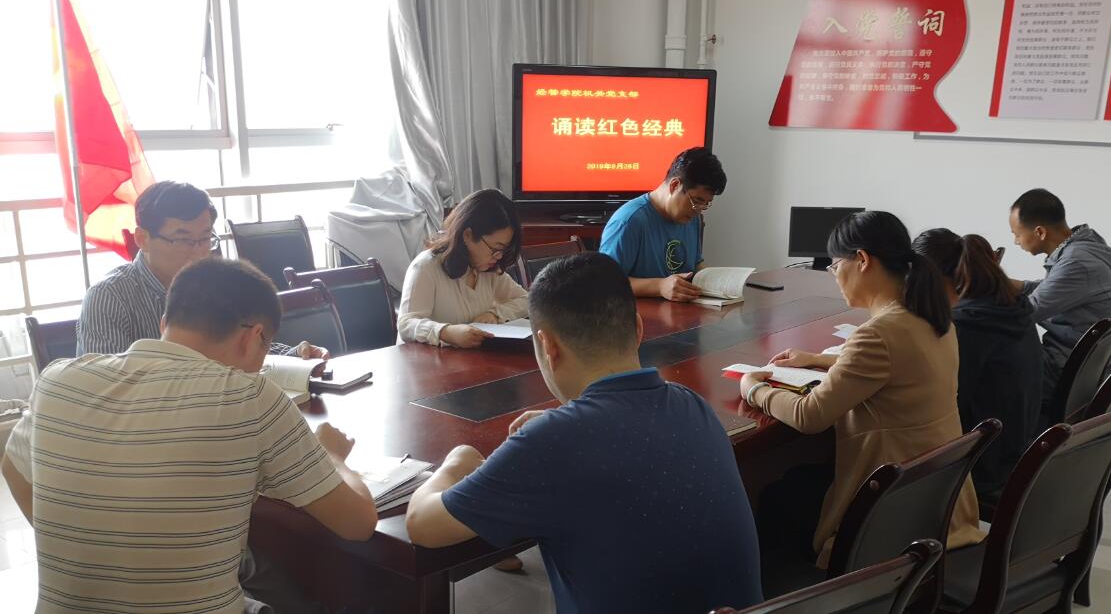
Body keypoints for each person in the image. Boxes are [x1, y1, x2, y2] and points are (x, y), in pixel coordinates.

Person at [2, 258, 378, 614]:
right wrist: (332, 457)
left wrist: (85, 548)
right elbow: (358, 524)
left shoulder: (58, 380)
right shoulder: (249, 397)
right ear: (254, 338)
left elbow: (12, 465)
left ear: (165, 322)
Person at [404, 252, 763, 613]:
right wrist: (560, 425)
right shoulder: (691, 404)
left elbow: (422, 525)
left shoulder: (552, 443)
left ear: (548, 347)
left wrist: (458, 460)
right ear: (638, 329)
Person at [739, 211, 983, 569]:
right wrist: (819, 360)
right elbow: (899, 366)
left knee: (777, 494)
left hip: (890, 515)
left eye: (835, 266)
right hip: (938, 499)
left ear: (863, 260)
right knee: (798, 479)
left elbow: (810, 416)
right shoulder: (932, 317)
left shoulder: (878, 334)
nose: (835, 276)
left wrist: (754, 388)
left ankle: (809, 592)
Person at [76, 180, 328, 359]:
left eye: (206, 238)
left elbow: (241, 346)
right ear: (142, 238)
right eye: (183, 239)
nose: (198, 252)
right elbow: (110, 386)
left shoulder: (213, 284)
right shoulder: (108, 298)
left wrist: (296, 355)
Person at [913, 228, 1043, 504]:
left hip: (981, 464)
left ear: (930, 278)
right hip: (1015, 445)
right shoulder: (1009, 305)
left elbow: (945, 406)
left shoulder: (966, 326)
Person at [1007, 188, 1111, 412]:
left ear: (1040, 232)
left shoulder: (1076, 262)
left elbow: (1028, 312)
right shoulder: (1079, 250)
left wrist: (980, 302)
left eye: (1017, 234)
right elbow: (1050, 289)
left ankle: (999, 432)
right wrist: (1008, 284)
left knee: (986, 366)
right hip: (1083, 364)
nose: (1015, 241)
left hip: (1066, 371)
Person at [398, 188, 527, 348]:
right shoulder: (426, 267)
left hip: (472, 358)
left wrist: (495, 314)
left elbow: (526, 300)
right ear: (468, 235)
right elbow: (406, 324)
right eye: (495, 249)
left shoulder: (488, 269)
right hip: (428, 360)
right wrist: (445, 332)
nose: (499, 257)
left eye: (503, 250)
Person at [599, 147, 727, 301]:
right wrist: (659, 287)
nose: (698, 210)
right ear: (674, 185)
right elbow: (605, 283)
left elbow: (695, 265)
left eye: (706, 204)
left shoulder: (692, 218)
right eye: (696, 201)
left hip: (685, 311)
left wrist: (721, 281)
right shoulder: (629, 221)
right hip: (640, 313)